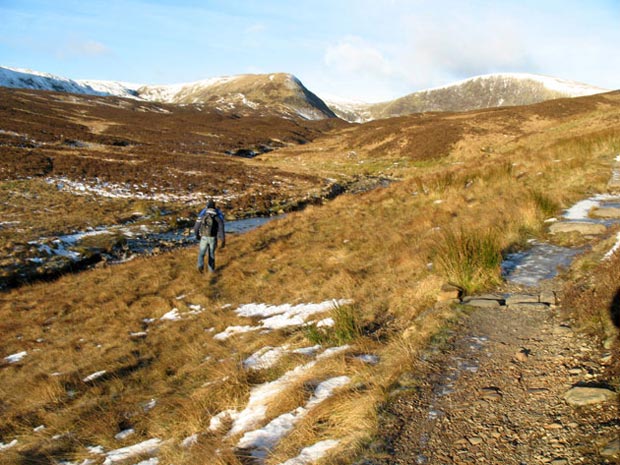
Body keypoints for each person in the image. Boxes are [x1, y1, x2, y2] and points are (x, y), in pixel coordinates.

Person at [194, 199, 225, 273]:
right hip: (213, 238)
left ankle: (200, 266)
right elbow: (221, 229)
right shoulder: (218, 217)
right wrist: (223, 240)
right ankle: (211, 272)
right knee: (211, 254)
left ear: (207, 207)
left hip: (204, 237)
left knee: (201, 253)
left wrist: (197, 235)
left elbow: (196, 227)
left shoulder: (203, 215)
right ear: (214, 207)